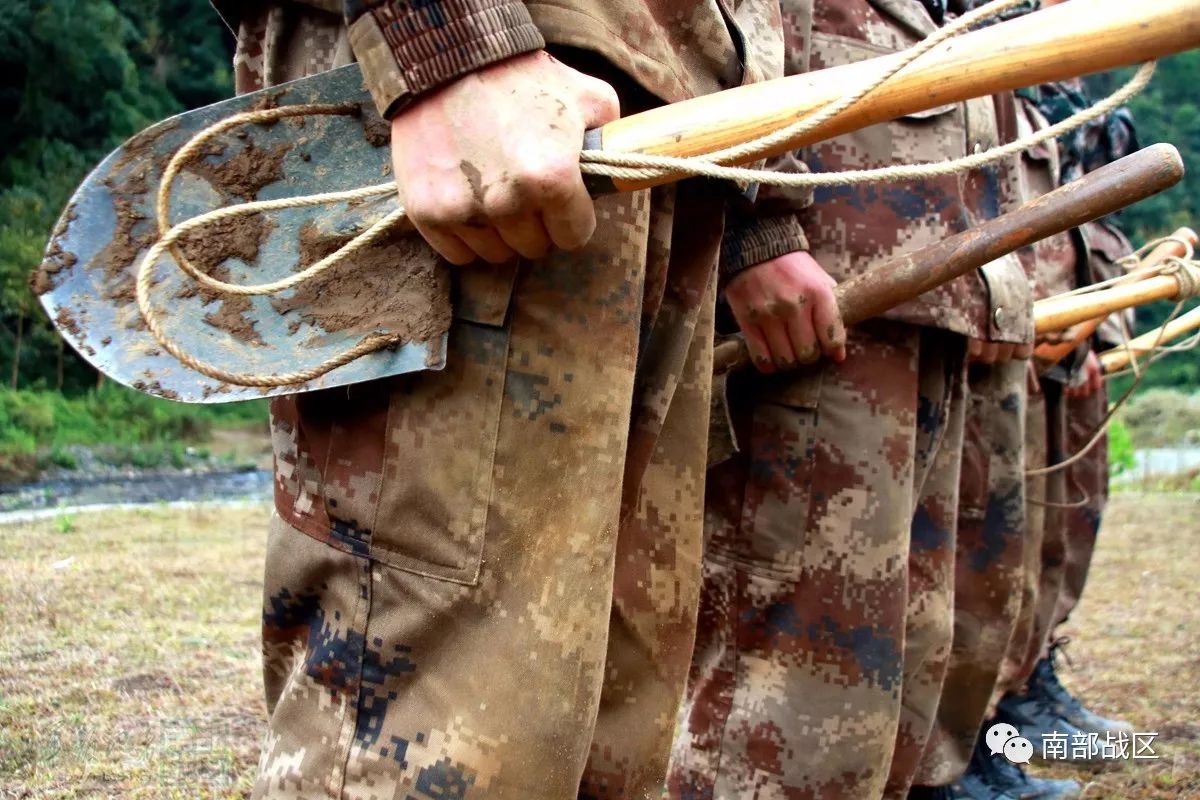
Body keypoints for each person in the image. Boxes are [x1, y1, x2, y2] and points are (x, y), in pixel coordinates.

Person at [210, 1, 792, 797]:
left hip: (668, 115)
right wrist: (439, 35)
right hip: (489, 94)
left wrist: (762, 222)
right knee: (432, 738)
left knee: (609, 738)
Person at [667, 1, 1033, 797]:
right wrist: (751, 228)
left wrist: (1001, 288)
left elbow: (979, 131)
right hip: (815, 305)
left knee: (900, 668)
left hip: (928, 305)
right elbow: (719, 38)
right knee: (793, 689)